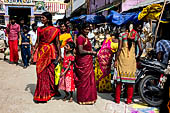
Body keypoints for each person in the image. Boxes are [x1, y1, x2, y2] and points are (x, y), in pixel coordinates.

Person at [31, 12, 61, 103]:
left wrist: (59, 55)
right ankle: (42, 93)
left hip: (50, 53)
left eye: (43, 18)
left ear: (48, 19)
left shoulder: (55, 30)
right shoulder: (39, 29)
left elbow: (57, 43)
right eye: (41, 17)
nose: (41, 19)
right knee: (41, 73)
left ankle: (51, 91)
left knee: (50, 73)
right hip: (41, 52)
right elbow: (37, 42)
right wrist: (32, 53)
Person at [114, 23, 143, 104]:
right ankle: (129, 100)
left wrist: (116, 60)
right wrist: (138, 57)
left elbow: (119, 49)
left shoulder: (122, 35)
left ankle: (117, 100)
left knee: (119, 82)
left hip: (122, 59)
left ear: (126, 27)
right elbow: (141, 49)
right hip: (131, 60)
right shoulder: (136, 35)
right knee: (130, 82)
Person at [75, 23, 97, 105]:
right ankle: (83, 98)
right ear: (82, 29)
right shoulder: (80, 38)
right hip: (83, 61)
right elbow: (80, 51)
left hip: (87, 61)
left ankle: (89, 97)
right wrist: (91, 52)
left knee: (88, 80)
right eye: (86, 29)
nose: (87, 31)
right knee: (84, 81)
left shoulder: (85, 37)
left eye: (88, 29)